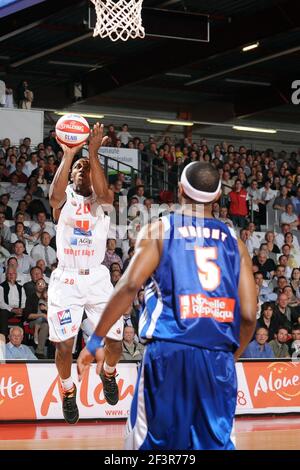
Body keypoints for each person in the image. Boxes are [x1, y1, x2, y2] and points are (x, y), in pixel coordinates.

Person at [77, 161, 257, 450]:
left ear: (180, 190)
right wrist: (230, 356)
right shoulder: (235, 242)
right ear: (217, 196)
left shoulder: (160, 230)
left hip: (168, 351)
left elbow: (129, 285)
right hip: (217, 357)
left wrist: (96, 339)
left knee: (152, 445)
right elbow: (249, 315)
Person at [48, 123, 123, 425]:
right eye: (78, 168)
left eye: (87, 168)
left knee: (115, 344)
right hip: (66, 280)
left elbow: (105, 195)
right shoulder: (64, 199)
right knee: (64, 346)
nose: (82, 170)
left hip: (97, 279)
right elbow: (53, 197)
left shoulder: (102, 203)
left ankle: (108, 373)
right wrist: (70, 155)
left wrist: (92, 153)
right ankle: (67, 390)